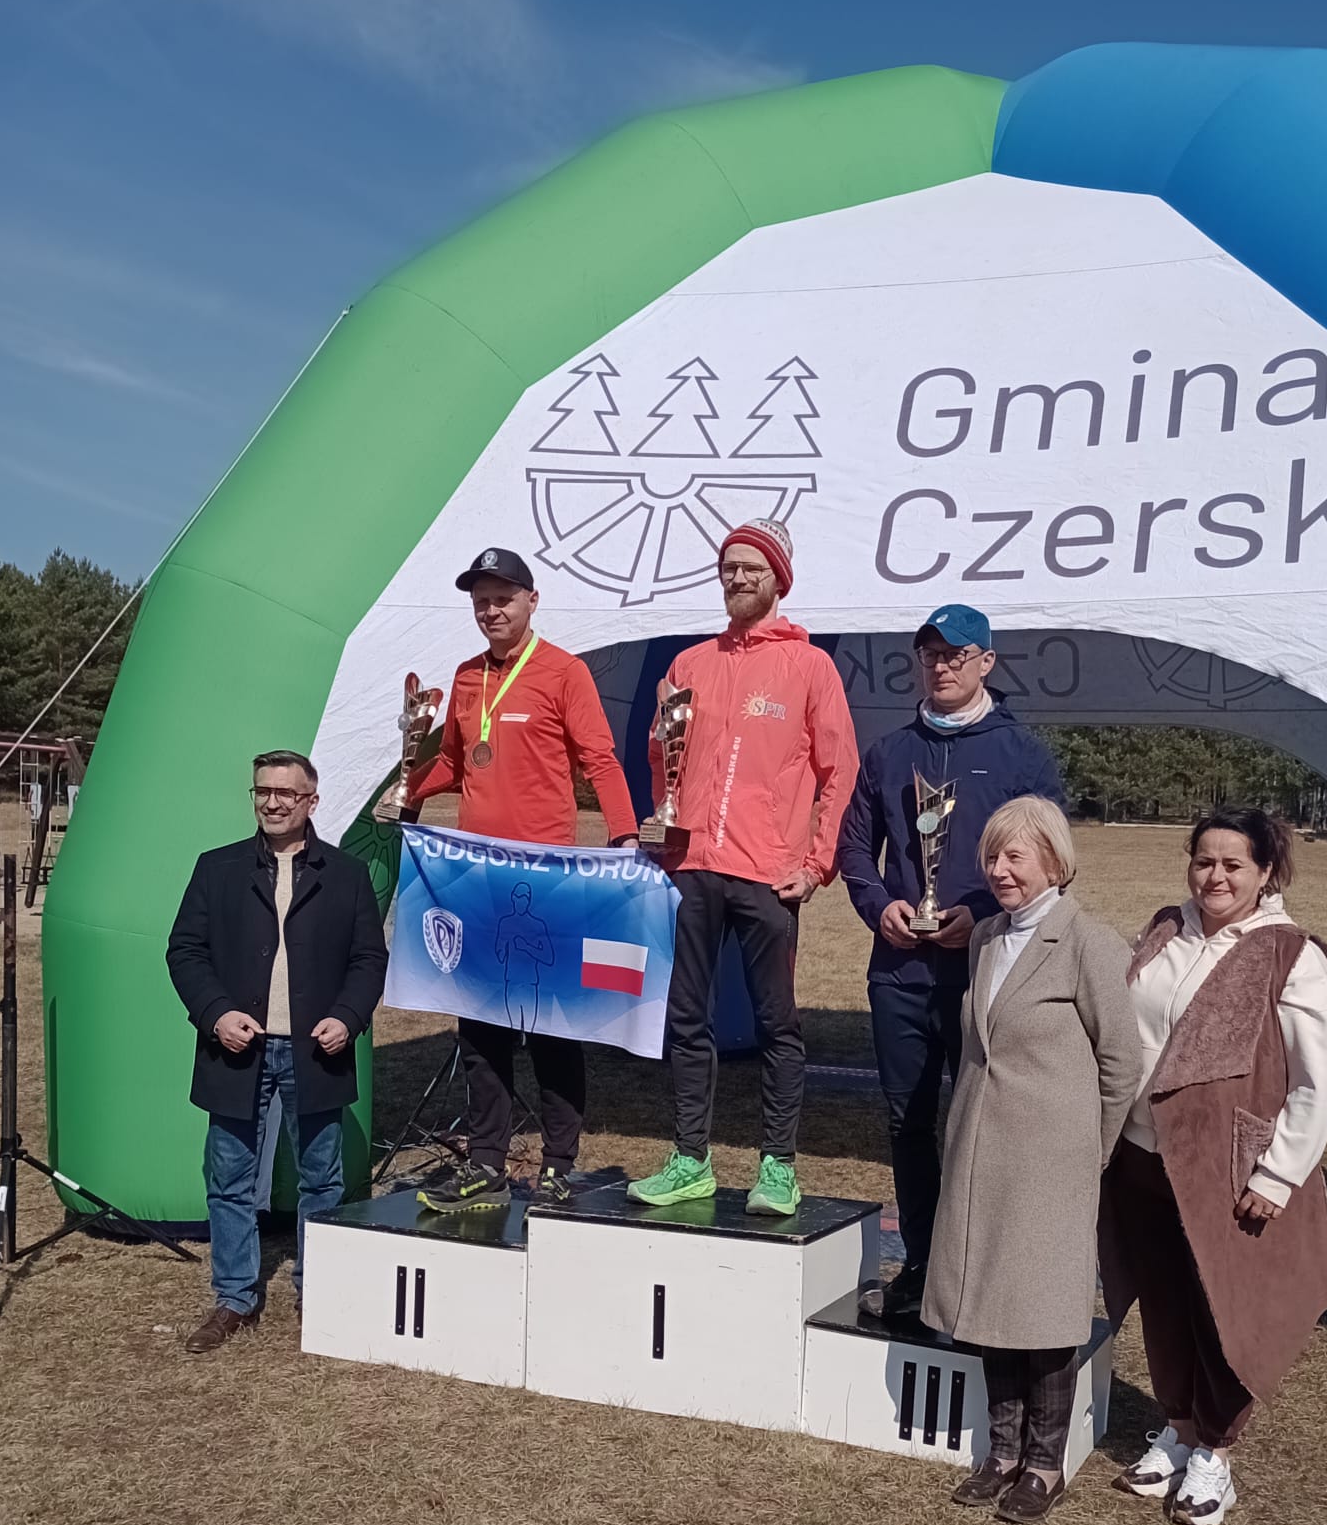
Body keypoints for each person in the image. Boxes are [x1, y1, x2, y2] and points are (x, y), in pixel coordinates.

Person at [1099, 806, 1327, 1525]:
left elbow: (1319, 1079)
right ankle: (1178, 1428)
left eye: (1233, 864)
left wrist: (1278, 1175)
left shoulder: (1290, 954)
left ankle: (1215, 1450)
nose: (1215, 877)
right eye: (1204, 861)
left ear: (1265, 872)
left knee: (1222, 1308)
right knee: (1163, 1299)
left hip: (1228, 1170)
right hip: (1142, 1156)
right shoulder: (1164, 931)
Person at [836, 603, 1065, 1324]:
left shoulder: (1021, 753)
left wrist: (984, 915)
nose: (942, 666)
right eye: (931, 654)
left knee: (983, 1126)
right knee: (907, 1124)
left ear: (986, 662)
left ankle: (982, 1270)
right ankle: (922, 1264)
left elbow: (1055, 858)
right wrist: (881, 906)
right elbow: (853, 848)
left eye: (956, 654)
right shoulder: (889, 752)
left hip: (985, 972)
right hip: (900, 973)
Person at [627, 518, 859, 1217]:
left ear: (778, 579)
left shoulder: (809, 667)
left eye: (750, 568)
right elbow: (661, 756)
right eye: (727, 567)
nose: (736, 578)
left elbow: (839, 771)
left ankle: (779, 1166)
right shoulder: (689, 664)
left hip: (767, 873)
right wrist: (665, 823)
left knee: (776, 1024)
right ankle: (690, 1159)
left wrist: (816, 865)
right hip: (694, 864)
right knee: (685, 1018)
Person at [399, 545, 639, 1213]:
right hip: (476, 876)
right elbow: (456, 762)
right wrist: (408, 791)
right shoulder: (465, 676)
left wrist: (623, 835)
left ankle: (559, 1164)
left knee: (552, 1025)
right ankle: (485, 1162)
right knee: (481, 1027)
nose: (491, 609)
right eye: (481, 600)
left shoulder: (563, 671)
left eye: (503, 597)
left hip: (546, 877)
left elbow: (599, 759)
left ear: (532, 601)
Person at [924, 797, 1142, 1525]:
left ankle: (1045, 1465)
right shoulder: (986, 937)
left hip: (1053, 1159)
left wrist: (1090, 1149)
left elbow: (1121, 1062)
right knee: (990, 1297)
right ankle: (1002, 1453)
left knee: (1044, 1312)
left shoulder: (1089, 943)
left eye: (1015, 856)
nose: (1000, 869)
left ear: (1054, 860)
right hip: (981, 1152)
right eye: (992, 855)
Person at [167, 750, 388, 1354]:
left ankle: (320, 1289)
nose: (272, 802)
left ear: (311, 801)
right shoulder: (217, 868)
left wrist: (348, 1017)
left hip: (315, 1051)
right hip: (237, 1049)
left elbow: (369, 960)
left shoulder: (347, 875)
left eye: (286, 793)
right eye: (263, 791)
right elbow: (185, 950)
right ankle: (234, 1297)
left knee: (322, 1179)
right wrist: (216, 1014)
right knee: (229, 1178)